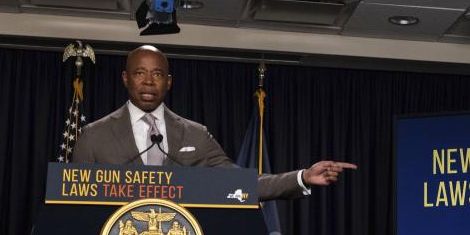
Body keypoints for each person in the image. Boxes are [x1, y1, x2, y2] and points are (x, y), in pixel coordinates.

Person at [72, 45, 356, 200]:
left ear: (168, 82)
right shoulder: (94, 136)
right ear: (125, 79)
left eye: (157, 74)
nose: (148, 81)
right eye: (139, 73)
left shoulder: (195, 135)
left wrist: (302, 176)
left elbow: (241, 182)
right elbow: (73, 205)